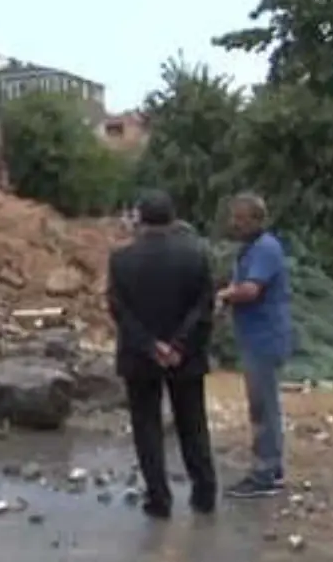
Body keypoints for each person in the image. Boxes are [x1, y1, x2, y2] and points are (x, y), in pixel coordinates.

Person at [107, 189, 218, 519]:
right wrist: (179, 345)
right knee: (193, 424)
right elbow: (204, 307)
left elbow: (119, 310)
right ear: (173, 218)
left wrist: (150, 345)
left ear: (139, 218)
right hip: (186, 357)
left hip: (140, 358)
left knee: (147, 427)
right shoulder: (197, 255)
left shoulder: (121, 259)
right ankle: (204, 494)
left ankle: (159, 499)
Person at [216, 192, 292, 499]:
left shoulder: (265, 249)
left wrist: (223, 296)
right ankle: (271, 468)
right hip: (255, 336)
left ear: (257, 219)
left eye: (240, 218)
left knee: (263, 407)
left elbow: (250, 290)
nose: (233, 223)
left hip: (264, 338)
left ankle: (264, 473)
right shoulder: (251, 248)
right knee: (262, 404)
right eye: (233, 217)